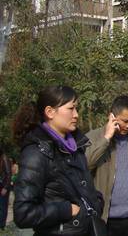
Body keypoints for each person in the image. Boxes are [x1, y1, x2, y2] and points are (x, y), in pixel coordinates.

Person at [12, 85, 104, 235]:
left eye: (76, 108)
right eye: (71, 108)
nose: (76, 115)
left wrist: (96, 201)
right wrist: (66, 210)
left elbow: (83, 189)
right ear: (50, 112)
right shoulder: (36, 154)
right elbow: (23, 214)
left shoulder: (76, 147)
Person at [86, 95, 128, 236]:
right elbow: (86, 165)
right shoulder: (93, 138)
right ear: (111, 116)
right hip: (104, 220)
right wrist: (106, 138)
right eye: (125, 121)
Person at [0, 147, 11, 230]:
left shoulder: (4, 159)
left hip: (4, 186)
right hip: (1, 185)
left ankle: (2, 225)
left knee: (3, 206)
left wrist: (5, 187)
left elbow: (8, 173)